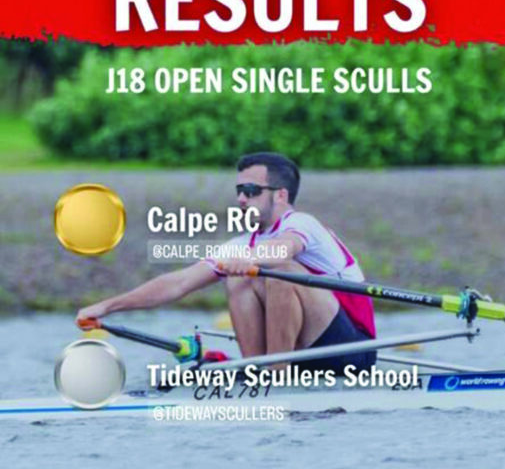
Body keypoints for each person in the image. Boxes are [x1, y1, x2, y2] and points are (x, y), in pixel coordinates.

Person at [76, 152, 376, 373]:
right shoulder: (243, 243)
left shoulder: (302, 223)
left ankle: (276, 375)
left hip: (352, 350)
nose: (242, 199)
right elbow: (178, 283)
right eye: (239, 191)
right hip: (304, 351)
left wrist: (248, 259)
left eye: (251, 191)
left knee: (280, 270)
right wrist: (106, 307)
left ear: (281, 195)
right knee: (238, 279)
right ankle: (256, 369)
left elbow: (284, 250)